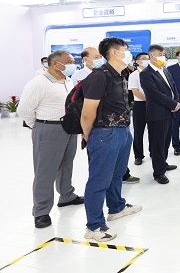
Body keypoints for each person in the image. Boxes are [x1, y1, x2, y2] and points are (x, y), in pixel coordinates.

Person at [80, 37, 142, 242]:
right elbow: (88, 112)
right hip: (104, 133)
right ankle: (94, 226)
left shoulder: (121, 74)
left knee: (117, 174)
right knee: (99, 180)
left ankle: (116, 207)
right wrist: (88, 134)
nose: (129, 53)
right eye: (126, 49)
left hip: (122, 131)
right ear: (115, 52)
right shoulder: (99, 76)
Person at [18, 50, 83, 229]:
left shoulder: (67, 80)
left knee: (66, 165)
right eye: (69, 62)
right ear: (55, 63)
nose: (73, 64)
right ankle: (41, 211)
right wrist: (38, 126)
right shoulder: (38, 83)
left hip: (69, 128)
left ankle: (66, 195)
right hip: (48, 128)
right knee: (45, 171)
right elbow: (24, 110)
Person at [140, 44, 180, 184]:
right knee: (157, 144)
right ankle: (158, 173)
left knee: (166, 141)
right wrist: (173, 104)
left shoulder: (165, 70)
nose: (163, 57)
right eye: (160, 54)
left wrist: (176, 101)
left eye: (163, 54)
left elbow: (173, 88)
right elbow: (154, 93)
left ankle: (163, 163)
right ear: (152, 56)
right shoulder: (146, 73)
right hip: (157, 114)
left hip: (169, 112)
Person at [128, 52, 150, 165]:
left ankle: (153, 152)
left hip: (153, 106)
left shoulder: (153, 73)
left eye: (148, 58)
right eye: (143, 59)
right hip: (140, 105)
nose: (146, 60)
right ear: (137, 62)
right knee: (138, 131)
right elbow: (135, 92)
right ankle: (138, 155)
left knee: (154, 131)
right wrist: (150, 99)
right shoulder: (134, 75)